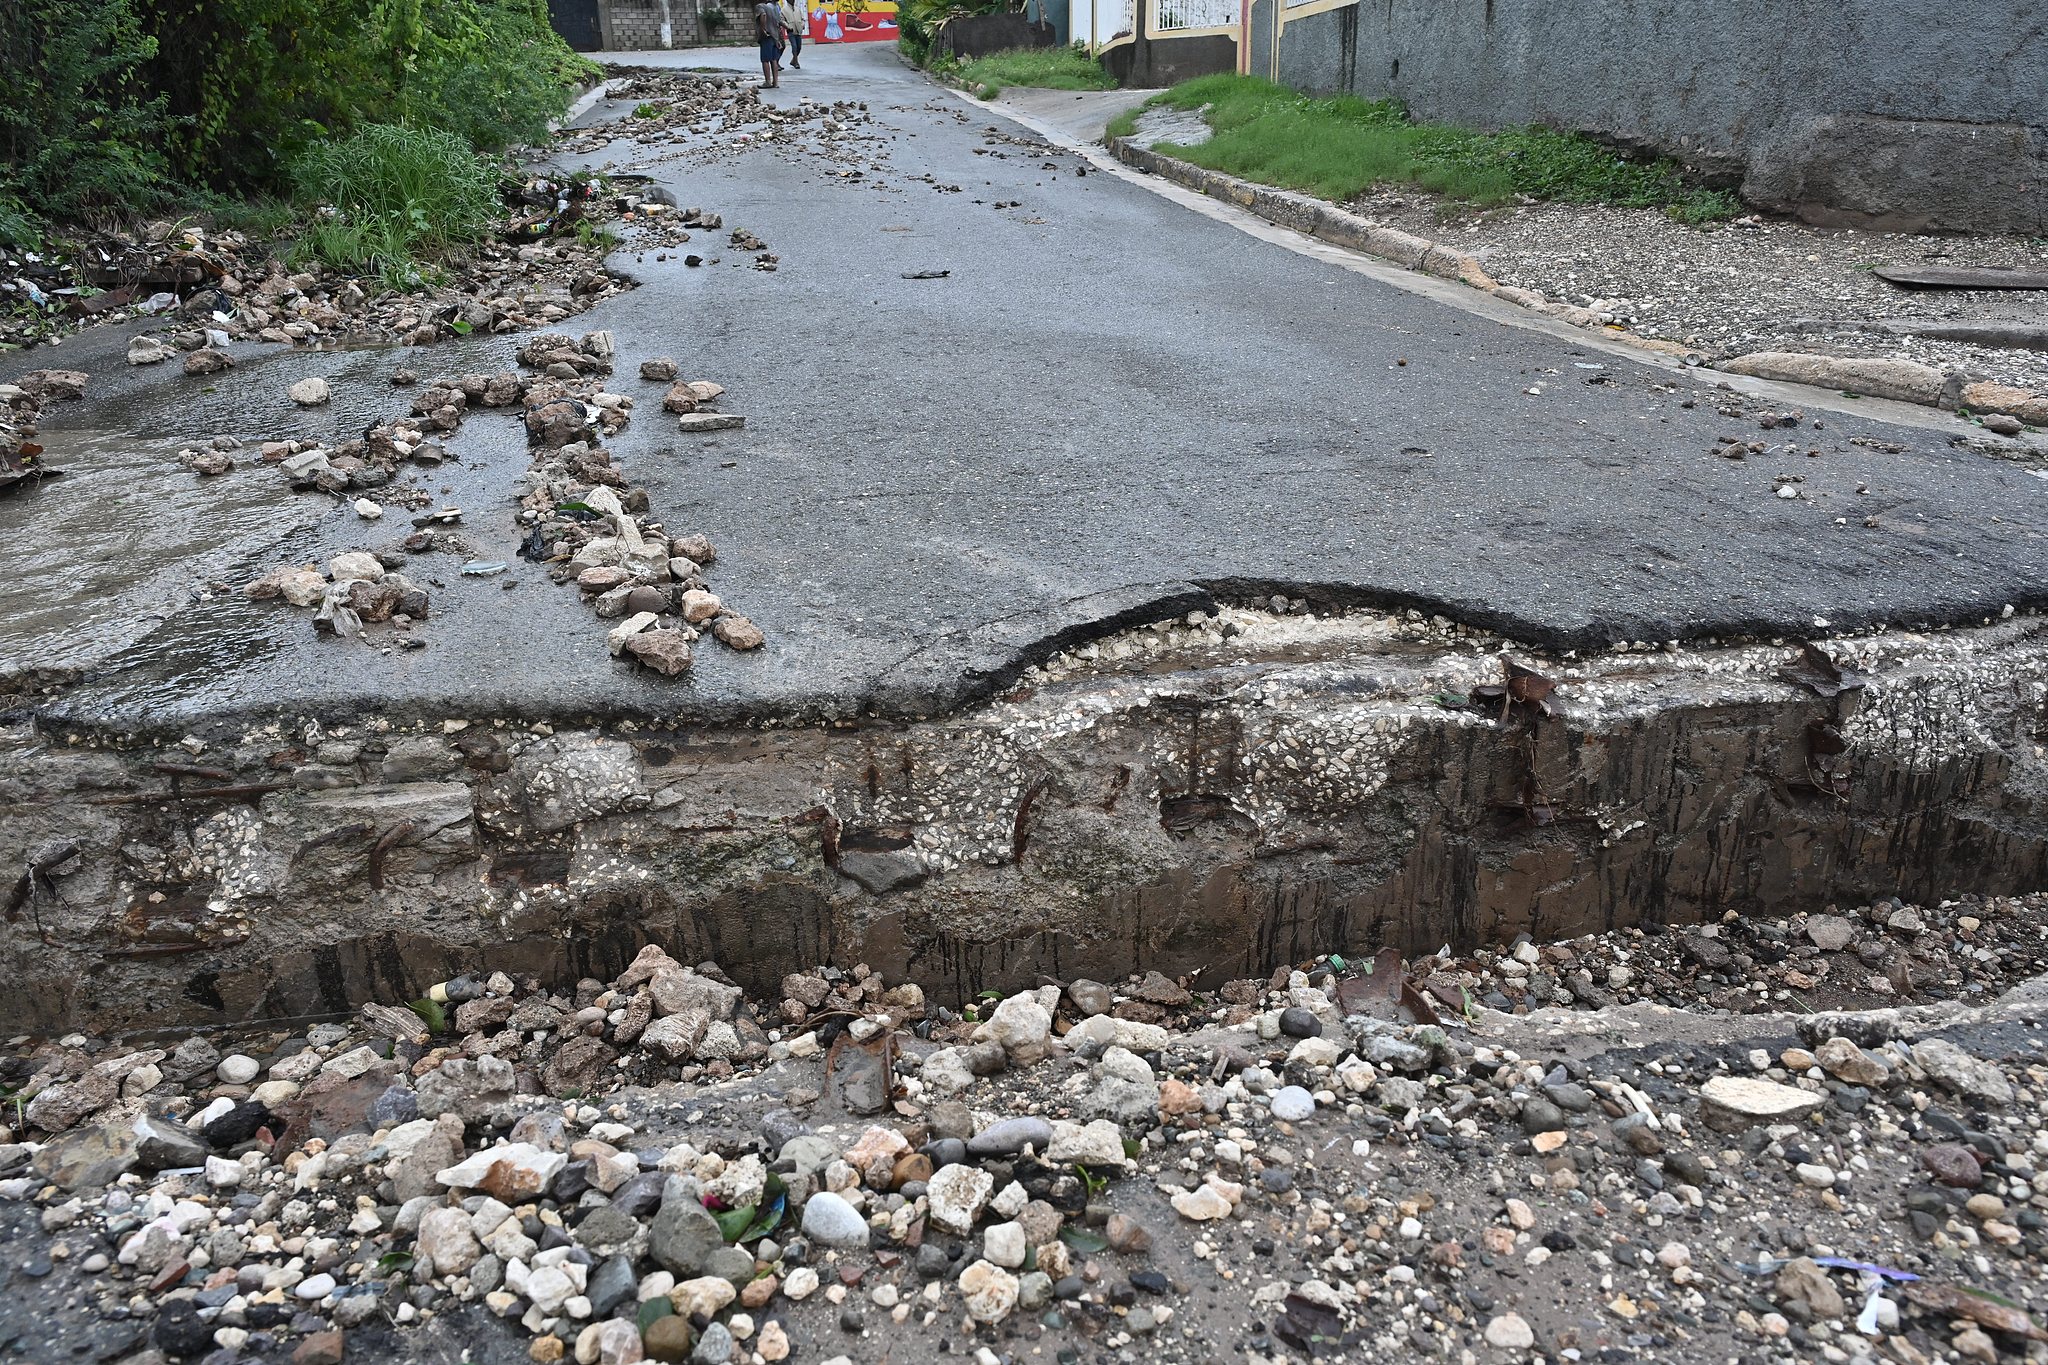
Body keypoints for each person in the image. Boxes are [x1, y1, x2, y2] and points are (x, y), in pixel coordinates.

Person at [754, 0, 785, 87]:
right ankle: (775, 82)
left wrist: (763, 29)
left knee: (765, 60)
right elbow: (778, 22)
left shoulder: (760, 6)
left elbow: (763, 15)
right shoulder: (773, 8)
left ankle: (767, 82)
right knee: (774, 60)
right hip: (774, 36)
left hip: (767, 36)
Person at [779, 0, 809, 68]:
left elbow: (802, 19)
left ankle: (793, 60)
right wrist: (788, 26)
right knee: (794, 46)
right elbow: (782, 20)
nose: (793, 1)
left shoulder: (797, 9)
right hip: (791, 31)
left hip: (798, 30)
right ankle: (796, 62)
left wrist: (802, 25)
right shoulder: (784, 10)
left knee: (799, 47)